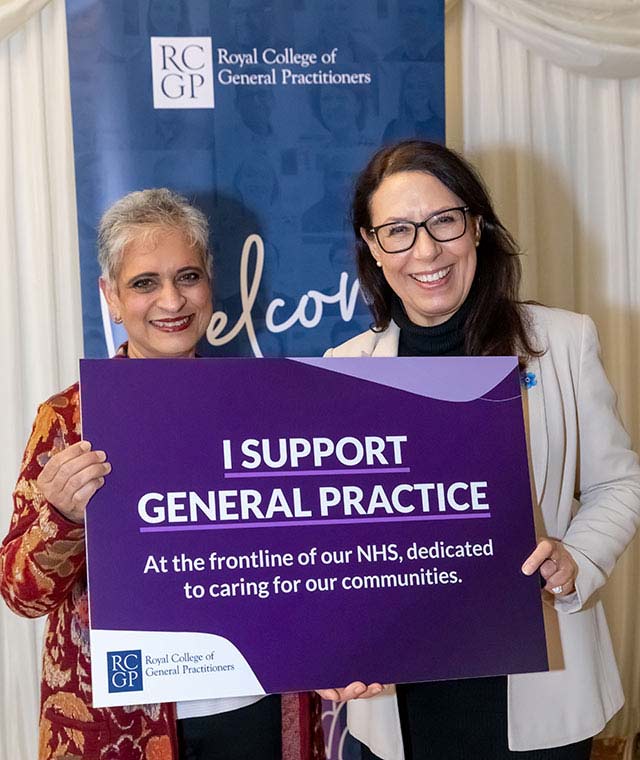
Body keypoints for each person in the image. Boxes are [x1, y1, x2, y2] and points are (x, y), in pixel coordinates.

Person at [319, 140, 640, 759]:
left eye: (444, 221)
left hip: (536, 681)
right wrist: (338, 639)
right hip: (400, 689)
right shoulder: (344, 369)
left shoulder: (564, 342)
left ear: (476, 227)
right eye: (398, 231)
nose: (426, 250)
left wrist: (575, 557)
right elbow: (333, 533)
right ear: (372, 245)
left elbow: (619, 483)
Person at [0, 189, 324, 760]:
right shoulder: (69, 420)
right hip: (118, 724)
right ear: (112, 298)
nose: (171, 300)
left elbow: (314, 560)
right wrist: (63, 516)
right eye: (144, 282)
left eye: (188, 276)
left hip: (255, 708)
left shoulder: (270, 408)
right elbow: (21, 595)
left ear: (211, 284)